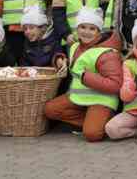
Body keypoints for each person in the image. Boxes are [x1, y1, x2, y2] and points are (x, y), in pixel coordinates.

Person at [44, 7, 122, 142]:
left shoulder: (107, 53)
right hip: (79, 97)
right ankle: (92, 121)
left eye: (92, 29)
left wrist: (85, 76)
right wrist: (60, 60)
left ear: (99, 31)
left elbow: (115, 85)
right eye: (83, 27)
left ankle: (104, 121)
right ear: (77, 29)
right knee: (50, 110)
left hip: (101, 100)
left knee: (92, 135)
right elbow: (74, 63)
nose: (86, 32)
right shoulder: (75, 46)